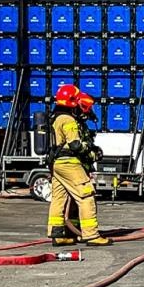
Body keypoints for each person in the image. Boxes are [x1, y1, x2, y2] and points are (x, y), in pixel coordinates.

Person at [46, 84, 109, 245]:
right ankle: (92, 235)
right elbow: (75, 144)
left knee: (59, 198)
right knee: (86, 195)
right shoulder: (68, 120)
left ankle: (58, 234)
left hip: (57, 163)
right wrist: (92, 153)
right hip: (70, 162)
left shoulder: (55, 117)